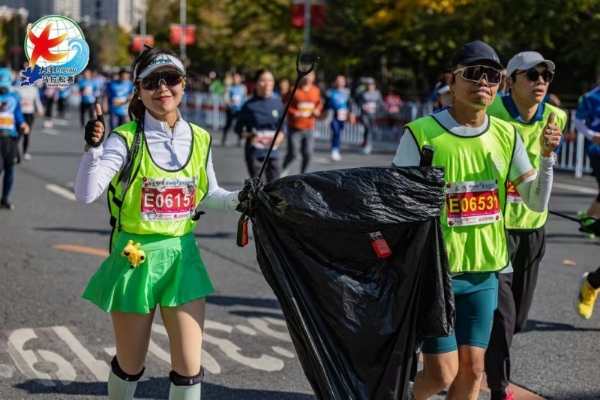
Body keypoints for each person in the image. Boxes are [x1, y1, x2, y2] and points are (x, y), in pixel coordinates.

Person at [74, 48, 247, 400]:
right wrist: (92, 150)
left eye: (171, 78)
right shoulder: (125, 138)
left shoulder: (200, 137)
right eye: (152, 81)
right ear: (138, 90)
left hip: (182, 256)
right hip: (134, 258)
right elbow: (86, 193)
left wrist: (237, 200)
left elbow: (206, 193)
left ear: (183, 84)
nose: (162, 88)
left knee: (189, 368)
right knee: (130, 365)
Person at [392, 40, 561, 400]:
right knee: (441, 373)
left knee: (474, 370)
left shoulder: (506, 134)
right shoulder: (421, 134)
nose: (483, 82)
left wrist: (546, 157)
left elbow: (535, 202)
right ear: (452, 82)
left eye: (492, 75)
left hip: (486, 272)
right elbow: (394, 204)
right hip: (438, 275)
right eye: (473, 74)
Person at [484, 51, 567, 400]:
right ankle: (498, 386)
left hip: (534, 227)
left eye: (545, 76)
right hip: (495, 228)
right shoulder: (490, 114)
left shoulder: (556, 116)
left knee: (517, 319)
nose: (540, 82)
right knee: (502, 316)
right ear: (510, 81)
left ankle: (472, 350)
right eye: (531, 75)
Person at [235, 69, 284, 184]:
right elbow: (238, 129)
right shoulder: (249, 105)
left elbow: (283, 126)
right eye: (263, 80)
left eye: (270, 80)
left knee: (276, 186)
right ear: (256, 83)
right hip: (255, 153)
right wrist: (250, 135)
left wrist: (280, 136)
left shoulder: (277, 104)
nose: (267, 84)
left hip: (273, 152)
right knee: (260, 189)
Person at [281, 70, 322, 175]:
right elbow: (284, 103)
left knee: (308, 153)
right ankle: (284, 167)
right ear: (302, 76)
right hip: (294, 127)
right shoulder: (293, 89)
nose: (308, 77)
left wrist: (317, 110)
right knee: (293, 153)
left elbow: (319, 104)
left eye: (311, 75)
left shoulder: (316, 90)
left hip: (309, 127)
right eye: (306, 75)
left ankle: (303, 174)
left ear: (314, 77)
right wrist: (293, 112)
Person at [0, 67, 29, 209]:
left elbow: (18, 113)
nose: (3, 89)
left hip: (10, 139)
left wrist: (23, 123)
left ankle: (5, 198)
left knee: (10, 169)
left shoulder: (13, 97)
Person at [14, 80, 44, 161]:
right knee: (18, 134)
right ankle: (15, 153)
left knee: (27, 134)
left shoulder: (34, 89)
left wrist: (40, 109)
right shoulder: (18, 88)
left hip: (29, 114)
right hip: (20, 114)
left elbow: (37, 100)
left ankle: (24, 152)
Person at [325, 75, 353, 161]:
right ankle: (335, 150)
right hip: (333, 115)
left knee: (339, 132)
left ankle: (337, 147)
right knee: (336, 131)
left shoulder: (347, 92)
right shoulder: (330, 92)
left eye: (342, 81)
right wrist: (325, 113)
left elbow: (349, 103)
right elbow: (326, 104)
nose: (340, 83)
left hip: (343, 115)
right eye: (338, 81)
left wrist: (351, 113)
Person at [355, 77, 384, 154]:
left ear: (374, 85)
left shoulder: (377, 93)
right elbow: (357, 101)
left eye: (371, 84)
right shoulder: (362, 93)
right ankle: (368, 145)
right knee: (367, 128)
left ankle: (365, 143)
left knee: (370, 129)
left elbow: (380, 103)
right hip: (365, 114)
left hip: (373, 114)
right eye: (368, 84)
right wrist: (363, 106)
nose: (369, 86)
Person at [222, 73, 247, 147]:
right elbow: (226, 97)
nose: (236, 80)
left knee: (240, 125)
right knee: (228, 124)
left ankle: (239, 141)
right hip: (231, 109)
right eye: (234, 78)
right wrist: (229, 103)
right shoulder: (229, 87)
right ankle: (224, 139)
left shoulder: (243, 87)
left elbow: (245, 97)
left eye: (237, 78)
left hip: (240, 109)